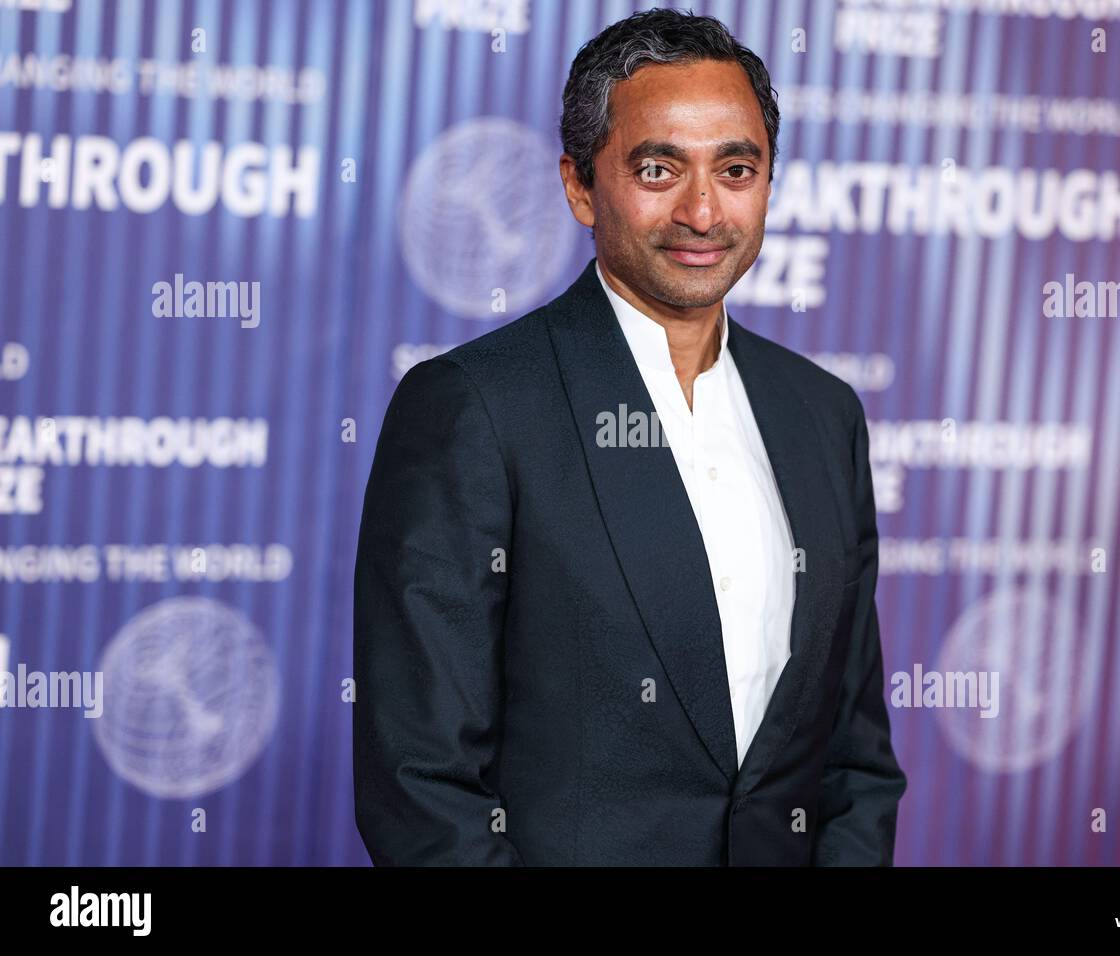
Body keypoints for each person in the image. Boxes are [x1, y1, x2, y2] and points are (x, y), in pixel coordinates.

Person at [353, 7, 906, 866]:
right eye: (657, 167)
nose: (702, 210)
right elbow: (422, 786)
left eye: (736, 168)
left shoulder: (822, 415)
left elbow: (856, 761)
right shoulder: (475, 408)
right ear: (580, 186)